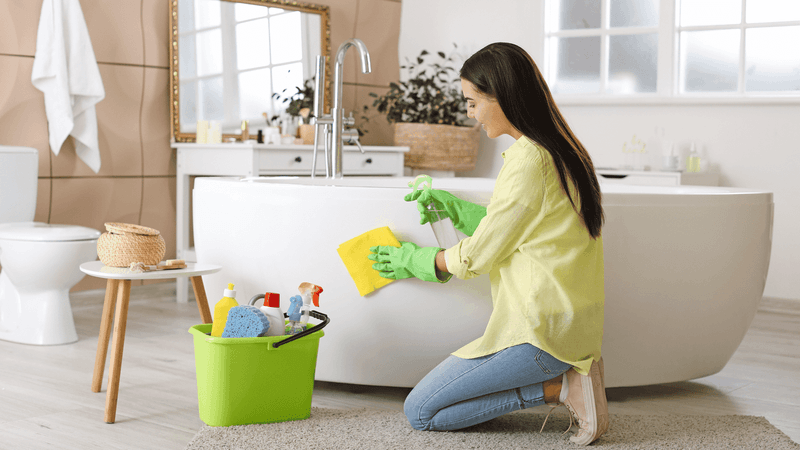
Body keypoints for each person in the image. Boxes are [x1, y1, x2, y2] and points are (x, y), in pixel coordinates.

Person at [368, 42, 607, 445]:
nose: (469, 114)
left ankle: (560, 389)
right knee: (430, 407)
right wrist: (459, 210)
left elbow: (478, 256)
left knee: (421, 412)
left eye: (472, 102)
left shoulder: (528, 160)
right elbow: (525, 229)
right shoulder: (560, 149)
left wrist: (415, 260)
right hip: (572, 327)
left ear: (503, 96)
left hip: (539, 334)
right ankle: (569, 382)